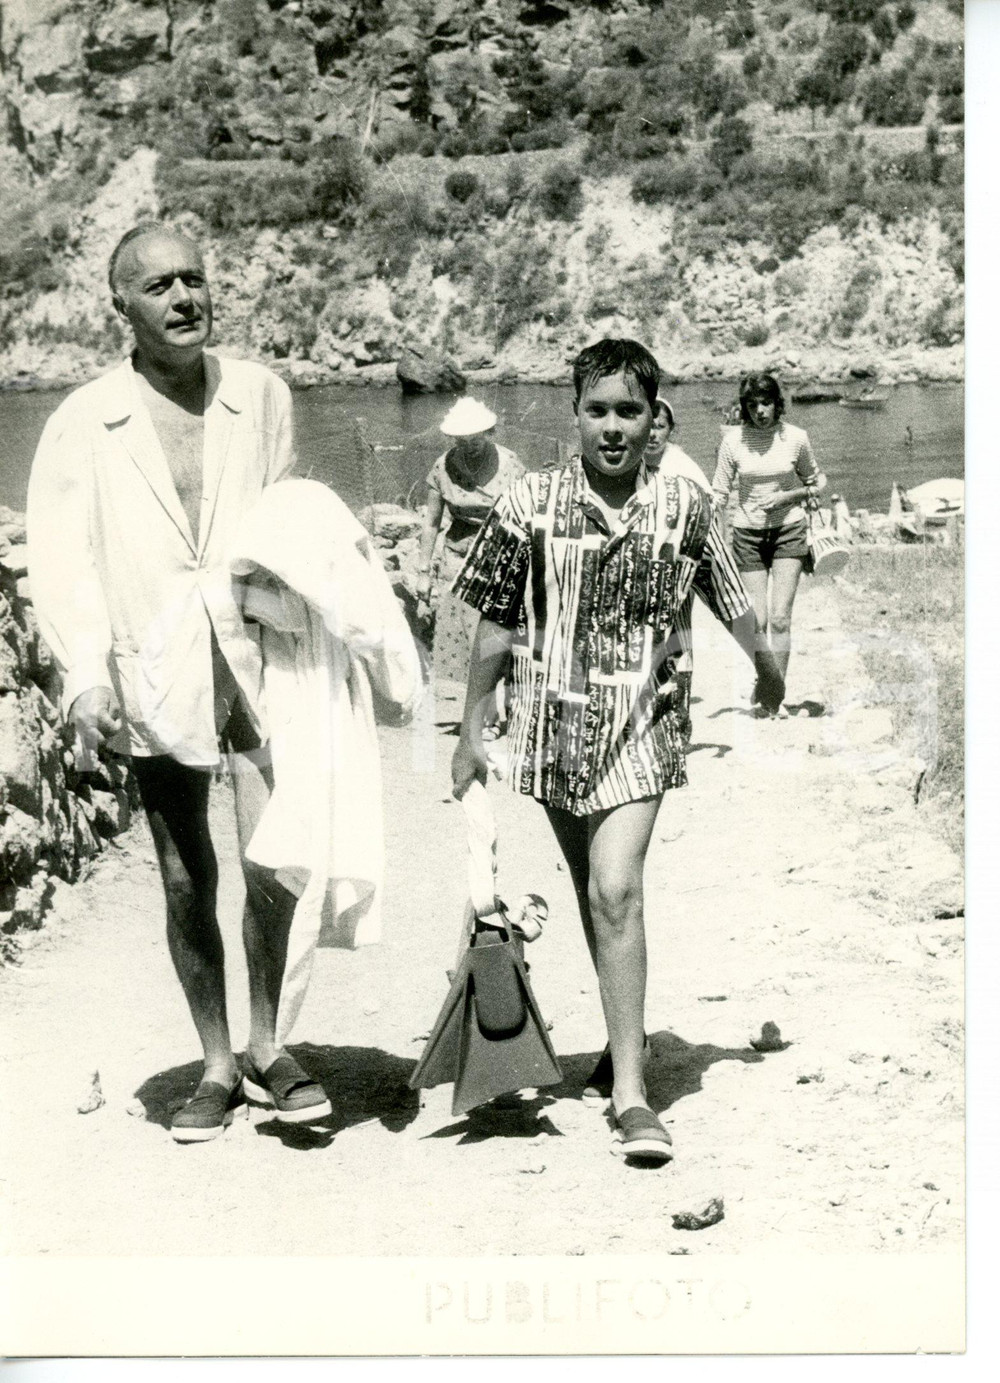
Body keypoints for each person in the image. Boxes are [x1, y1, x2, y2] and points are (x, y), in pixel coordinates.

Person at [27, 222, 331, 1142]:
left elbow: (285, 520)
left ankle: (270, 1042)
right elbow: (59, 557)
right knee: (180, 872)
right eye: (158, 285)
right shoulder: (85, 419)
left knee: (272, 856)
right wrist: (84, 676)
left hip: (253, 649)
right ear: (119, 304)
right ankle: (214, 1060)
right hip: (151, 660)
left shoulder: (262, 395)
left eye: (194, 278)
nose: (183, 298)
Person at [449, 339, 784, 1165]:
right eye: (596, 409)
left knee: (617, 888)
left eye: (628, 411)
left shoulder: (685, 506)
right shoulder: (530, 501)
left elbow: (731, 598)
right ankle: (620, 1038)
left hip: (646, 721)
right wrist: (467, 727)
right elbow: (494, 620)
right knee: (597, 896)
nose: (611, 427)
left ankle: (633, 1096)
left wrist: (768, 665)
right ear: (575, 413)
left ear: (653, 417)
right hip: (553, 729)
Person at [712, 373, 826, 706]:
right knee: (756, 620)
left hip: (789, 530)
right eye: (752, 405)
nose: (760, 410)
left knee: (779, 617)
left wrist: (787, 497)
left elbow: (816, 483)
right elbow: (719, 490)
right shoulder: (733, 442)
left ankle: (775, 694)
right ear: (744, 408)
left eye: (766, 402)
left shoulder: (796, 438)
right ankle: (767, 677)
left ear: (778, 403)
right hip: (747, 534)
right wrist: (705, 518)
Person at [415, 397, 523, 732]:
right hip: (457, 558)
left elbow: (525, 515)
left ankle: (503, 711)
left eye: (476, 438)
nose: (470, 445)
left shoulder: (510, 464)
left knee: (493, 635)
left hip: (499, 555)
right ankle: (481, 715)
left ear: (489, 432)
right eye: (462, 440)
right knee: (465, 639)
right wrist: (423, 573)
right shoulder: (442, 466)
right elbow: (431, 523)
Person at [643, 397, 711, 745]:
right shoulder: (630, 464)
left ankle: (679, 721)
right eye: (649, 425)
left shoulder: (683, 467)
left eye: (661, 426)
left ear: (671, 430)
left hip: (678, 568)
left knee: (678, 640)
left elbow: (706, 517)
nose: (653, 434)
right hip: (641, 569)